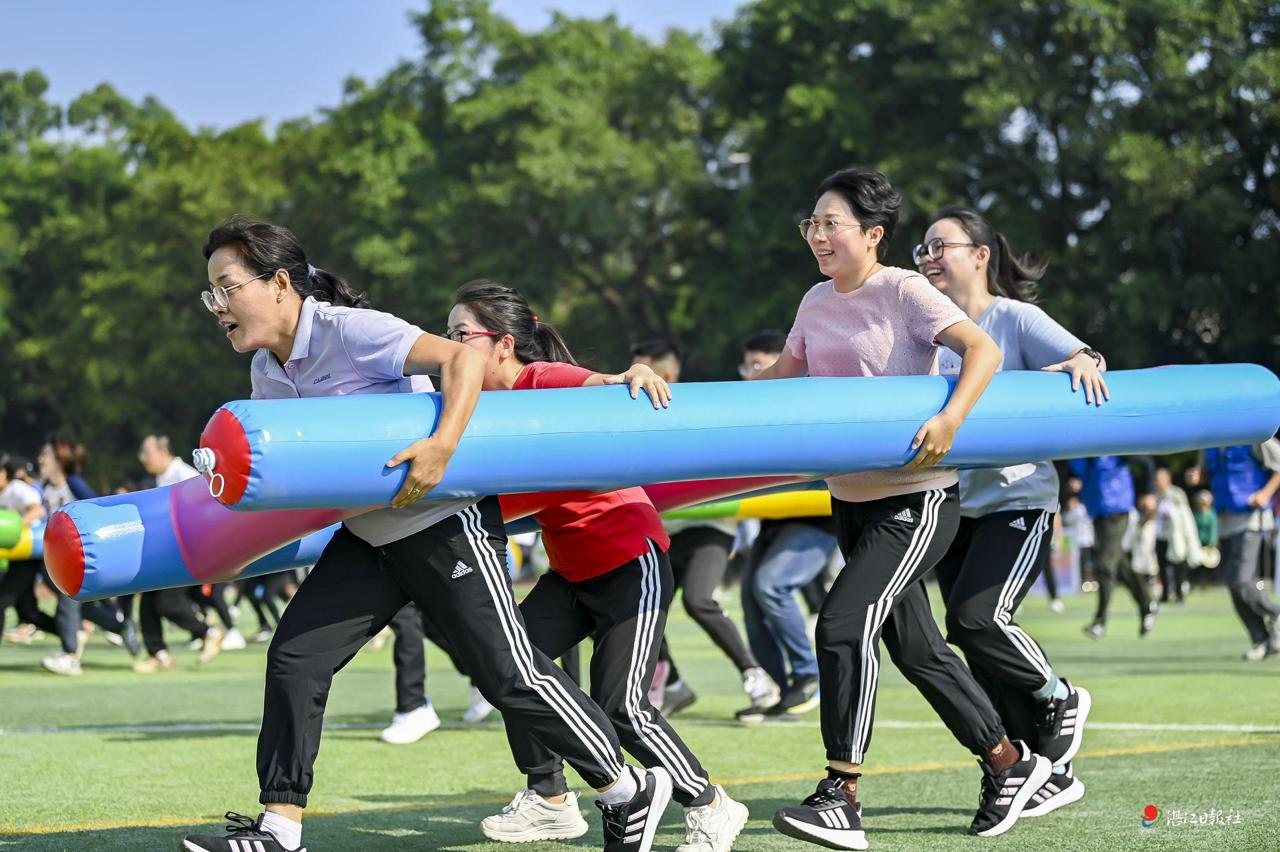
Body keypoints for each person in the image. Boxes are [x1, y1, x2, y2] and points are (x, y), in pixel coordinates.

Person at [181, 219, 669, 852]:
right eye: (210, 293)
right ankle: (279, 830)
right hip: (367, 537)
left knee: (508, 674)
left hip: (444, 523)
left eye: (226, 287)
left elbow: (460, 356)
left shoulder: (347, 330)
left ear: (278, 284)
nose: (218, 307)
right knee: (296, 656)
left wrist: (442, 447)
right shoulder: (267, 378)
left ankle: (629, 792)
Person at [754, 167, 1045, 850]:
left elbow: (984, 348)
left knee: (842, 623)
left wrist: (949, 419)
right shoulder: (815, 301)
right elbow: (782, 380)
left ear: (874, 234)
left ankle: (840, 793)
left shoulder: (904, 291)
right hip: (849, 502)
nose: (819, 236)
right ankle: (1011, 763)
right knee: (917, 649)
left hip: (914, 502)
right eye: (813, 224)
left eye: (833, 224)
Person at [445, 280, 748, 851]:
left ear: (503, 344)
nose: (450, 345)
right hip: (569, 572)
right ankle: (552, 800)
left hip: (630, 560)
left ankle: (713, 805)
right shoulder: (481, 406)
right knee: (506, 669)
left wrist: (630, 374)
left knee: (624, 707)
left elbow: (595, 383)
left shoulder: (540, 381)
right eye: (447, 333)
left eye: (462, 334)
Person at [918, 203, 1107, 816]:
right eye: (922, 248)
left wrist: (1085, 361)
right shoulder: (929, 333)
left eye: (939, 245)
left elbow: (1086, 357)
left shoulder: (1014, 318)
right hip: (954, 506)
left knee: (978, 619)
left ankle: (1060, 696)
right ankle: (1043, 769)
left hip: (1017, 499)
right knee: (974, 643)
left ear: (980, 256)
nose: (928, 257)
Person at [629, 339, 779, 717]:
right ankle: (672, 683)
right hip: (663, 531)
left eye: (641, 368)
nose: (631, 377)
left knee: (698, 599)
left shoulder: (695, 406)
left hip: (710, 526)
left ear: (668, 373)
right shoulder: (629, 412)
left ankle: (755, 675)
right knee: (640, 608)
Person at [732, 331, 839, 722]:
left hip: (817, 518)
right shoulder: (750, 409)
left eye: (760, 365)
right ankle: (783, 689)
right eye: (747, 366)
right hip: (774, 518)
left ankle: (808, 676)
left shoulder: (805, 398)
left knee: (770, 585)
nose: (751, 374)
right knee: (750, 598)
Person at [37, 435, 141, 674]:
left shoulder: (73, 484)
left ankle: (71, 657)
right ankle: (119, 628)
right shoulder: (44, 489)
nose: (40, 459)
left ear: (59, 459)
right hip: (54, 559)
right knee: (79, 607)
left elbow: (99, 506)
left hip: (80, 557)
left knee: (68, 600)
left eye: (45, 455)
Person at [134, 433, 226, 672]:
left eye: (147, 453)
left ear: (163, 452)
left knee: (168, 604)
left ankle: (209, 632)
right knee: (148, 602)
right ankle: (159, 655)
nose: (143, 458)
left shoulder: (184, 475)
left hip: (185, 551)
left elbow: (207, 509)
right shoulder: (161, 477)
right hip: (165, 551)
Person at [1202, 439, 1280, 660]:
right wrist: (1198, 476)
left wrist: (1265, 494)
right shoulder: (1211, 439)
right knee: (1233, 584)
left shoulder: (1255, 434)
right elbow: (1210, 470)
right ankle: (1261, 640)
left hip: (1250, 519)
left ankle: (1275, 613)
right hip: (1225, 518)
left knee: (1241, 579)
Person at [1073, 456, 1156, 638]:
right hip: (1097, 511)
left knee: (1104, 565)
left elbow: (1146, 462)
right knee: (1118, 563)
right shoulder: (1081, 445)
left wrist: (1149, 492)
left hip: (1117, 509)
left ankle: (1099, 622)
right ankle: (1147, 604)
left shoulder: (1110, 440)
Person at [1153, 467, 1202, 605]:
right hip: (1160, 535)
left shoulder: (1177, 494)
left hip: (1175, 536)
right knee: (1161, 565)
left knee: (1178, 564)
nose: (1158, 482)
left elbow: (1184, 514)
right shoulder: (1155, 495)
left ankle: (1179, 593)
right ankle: (1165, 593)